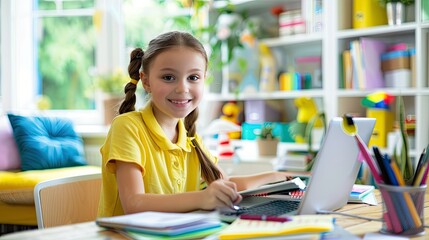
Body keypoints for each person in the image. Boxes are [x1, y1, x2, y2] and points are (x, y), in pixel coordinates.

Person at [98, 31, 292, 217]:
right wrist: (203, 198)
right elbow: (134, 204)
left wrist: (277, 177)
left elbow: (226, 185)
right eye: (168, 77)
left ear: (203, 80)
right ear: (146, 81)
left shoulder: (190, 138)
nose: (182, 88)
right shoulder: (127, 127)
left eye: (193, 78)